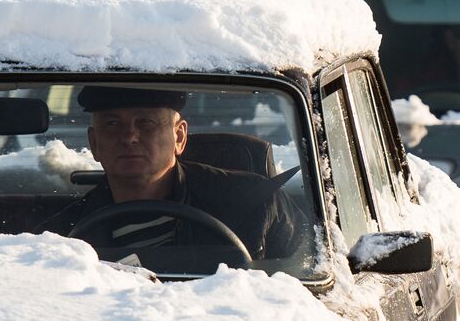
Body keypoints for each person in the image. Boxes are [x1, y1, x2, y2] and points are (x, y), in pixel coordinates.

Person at [40, 86, 300, 260]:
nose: (129, 136)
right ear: (94, 143)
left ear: (179, 136)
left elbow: (310, 281)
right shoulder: (60, 238)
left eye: (146, 122)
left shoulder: (253, 202)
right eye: (112, 124)